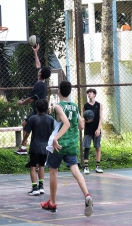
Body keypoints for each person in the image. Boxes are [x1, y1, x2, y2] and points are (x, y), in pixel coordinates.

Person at [41, 81, 93, 217]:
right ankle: (87, 195)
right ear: (69, 92)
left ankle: (52, 203)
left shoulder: (58, 106)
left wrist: (55, 138)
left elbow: (67, 123)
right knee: (75, 170)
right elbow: (81, 126)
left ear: (59, 90)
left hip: (58, 145)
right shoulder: (74, 106)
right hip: (72, 144)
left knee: (53, 171)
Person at [16, 43, 51, 155]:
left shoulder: (39, 85)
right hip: (39, 109)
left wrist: (22, 103)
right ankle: (24, 146)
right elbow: (38, 65)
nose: (38, 70)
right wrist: (35, 53)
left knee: (27, 126)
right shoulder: (42, 80)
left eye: (39, 71)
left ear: (41, 74)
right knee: (25, 125)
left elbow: (31, 98)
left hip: (39, 110)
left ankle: (24, 147)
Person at [22, 99, 54, 196]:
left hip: (35, 146)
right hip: (46, 147)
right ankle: (41, 187)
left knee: (32, 166)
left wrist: (24, 141)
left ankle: (34, 187)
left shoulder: (32, 118)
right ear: (46, 108)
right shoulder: (51, 119)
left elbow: (27, 133)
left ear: (36, 108)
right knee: (41, 166)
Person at [82, 88, 103, 174]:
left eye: (90, 93)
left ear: (94, 94)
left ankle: (98, 166)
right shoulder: (85, 106)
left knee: (97, 147)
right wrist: (87, 121)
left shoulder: (99, 105)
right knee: (87, 147)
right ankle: (86, 167)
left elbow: (101, 118)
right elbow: (83, 118)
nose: (89, 94)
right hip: (88, 129)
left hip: (96, 129)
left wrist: (98, 129)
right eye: (88, 93)